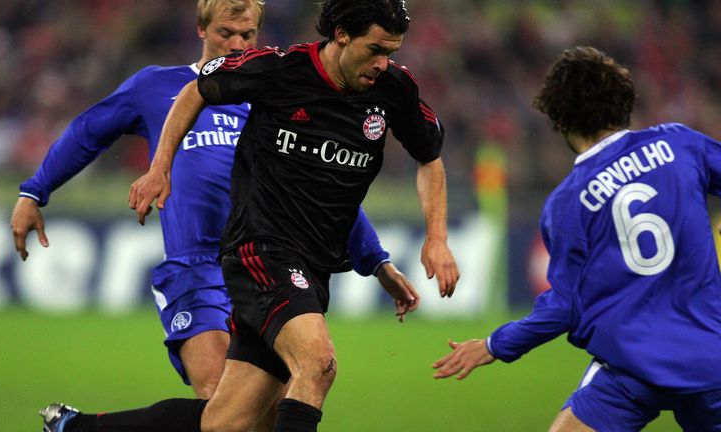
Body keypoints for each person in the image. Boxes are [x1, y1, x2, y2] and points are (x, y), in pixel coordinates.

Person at [40, 0, 459, 431]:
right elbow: (196, 89)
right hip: (260, 251)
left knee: (228, 422)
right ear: (341, 35)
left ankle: (78, 427)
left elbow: (430, 158)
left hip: (314, 266)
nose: (383, 63)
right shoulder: (281, 70)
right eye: (374, 50)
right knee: (317, 365)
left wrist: (434, 238)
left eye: (391, 51)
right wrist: (161, 166)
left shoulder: (393, 89)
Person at [432, 46, 721, 431]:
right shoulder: (680, 144)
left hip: (628, 368)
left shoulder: (567, 203)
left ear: (558, 117)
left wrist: (493, 345)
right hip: (709, 356)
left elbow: (564, 307)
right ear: (623, 101)